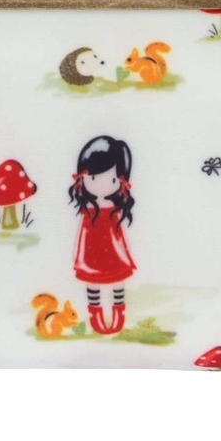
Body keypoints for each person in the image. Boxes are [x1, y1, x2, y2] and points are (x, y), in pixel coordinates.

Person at [68, 135, 137, 335]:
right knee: (93, 281)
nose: (100, 184)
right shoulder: (88, 210)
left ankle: (119, 314)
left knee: (117, 280)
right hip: (92, 249)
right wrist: (79, 255)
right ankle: (95, 315)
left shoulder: (114, 209)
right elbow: (82, 234)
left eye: (113, 179)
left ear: (121, 181)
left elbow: (119, 235)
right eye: (92, 178)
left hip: (113, 249)